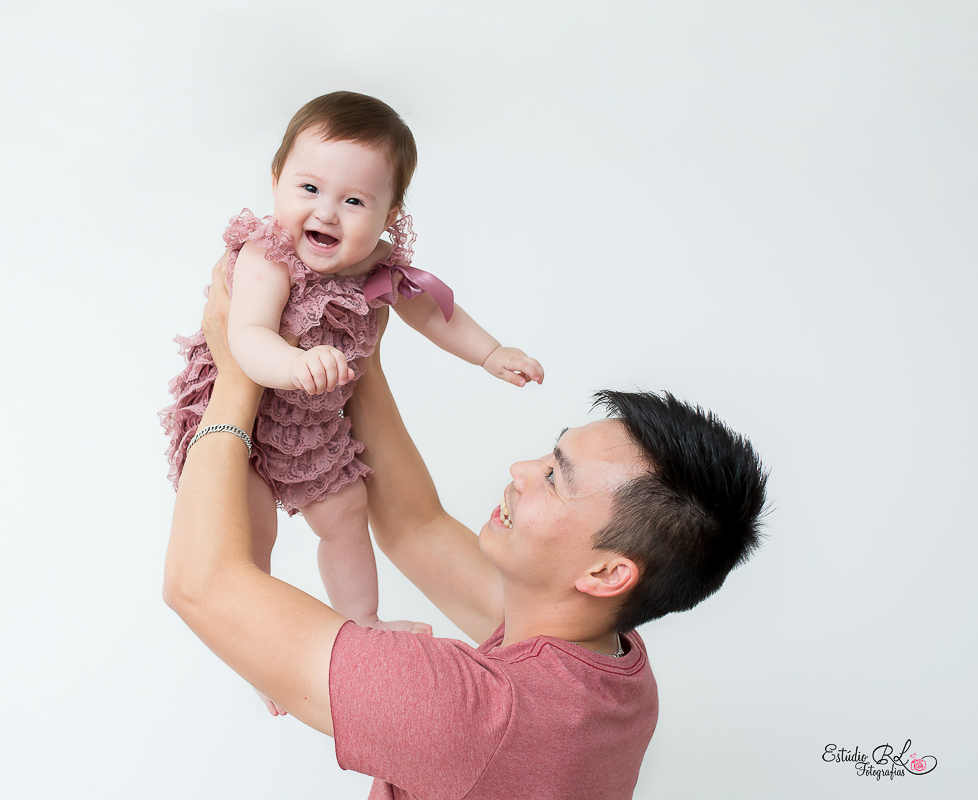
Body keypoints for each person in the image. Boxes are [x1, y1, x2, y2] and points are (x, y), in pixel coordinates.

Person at [162, 262, 769, 799]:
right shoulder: (611, 670)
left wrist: (237, 370)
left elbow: (200, 584)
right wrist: (358, 345)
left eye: (556, 479)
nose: (521, 470)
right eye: (549, 453)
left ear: (607, 573)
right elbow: (415, 526)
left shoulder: (476, 714)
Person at [160, 91, 542, 649]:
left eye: (354, 201)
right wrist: (293, 361)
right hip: (237, 419)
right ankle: (258, 646)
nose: (326, 212)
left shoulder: (376, 264)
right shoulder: (268, 257)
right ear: (276, 181)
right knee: (251, 533)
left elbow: (431, 314)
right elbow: (245, 336)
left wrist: (489, 352)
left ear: (389, 216)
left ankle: (362, 618)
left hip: (308, 428)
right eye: (309, 188)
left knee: (346, 513)